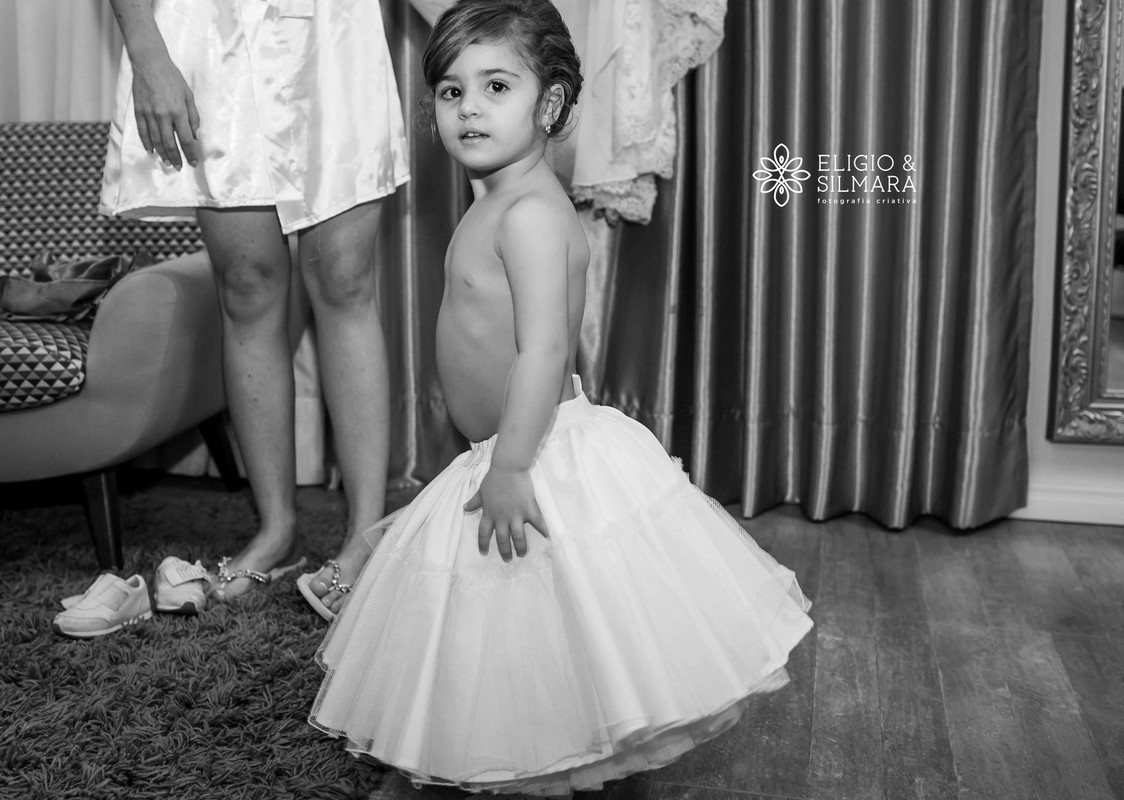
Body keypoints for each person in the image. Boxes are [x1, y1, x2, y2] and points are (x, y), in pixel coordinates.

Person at [308, 0, 814, 795]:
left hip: (534, 449)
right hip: (498, 446)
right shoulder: (496, 202)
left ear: (548, 105)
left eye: (496, 86)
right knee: (504, 618)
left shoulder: (533, 214)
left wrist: (512, 465)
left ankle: (527, 753)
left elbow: (545, 349)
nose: (468, 107)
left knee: (536, 606)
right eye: (450, 91)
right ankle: (501, 741)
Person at [101, 0, 407, 612]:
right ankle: (277, 531)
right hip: (213, 30)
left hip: (332, 31)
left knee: (345, 281)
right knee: (246, 287)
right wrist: (147, 50)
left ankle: (365, 537)